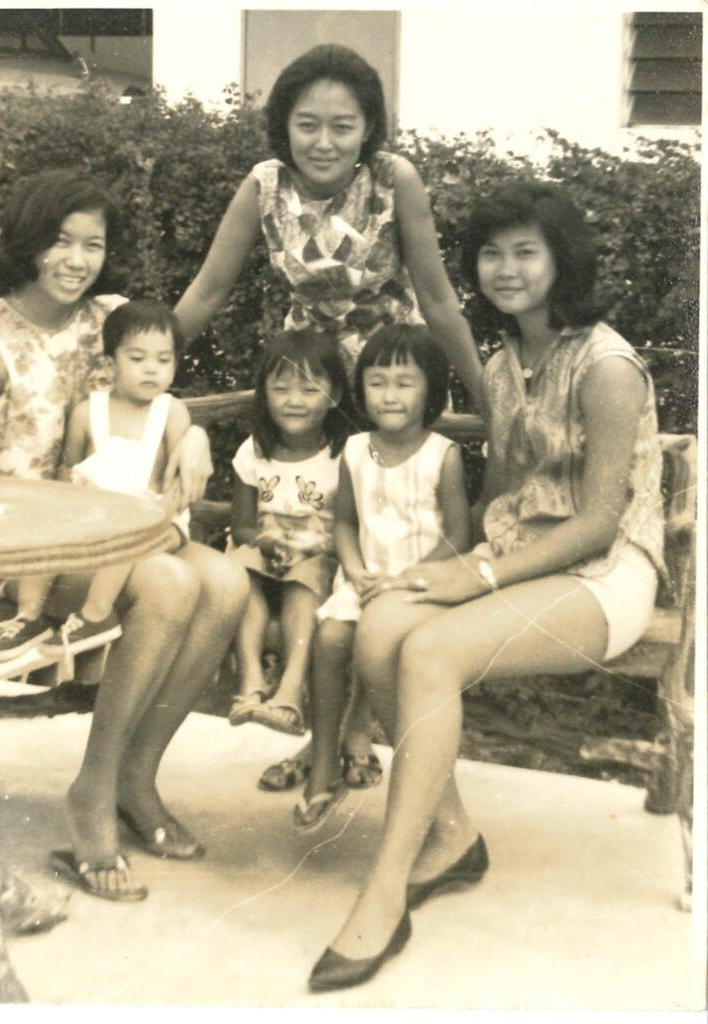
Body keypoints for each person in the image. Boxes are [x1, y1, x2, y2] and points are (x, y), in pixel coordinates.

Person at [307, 181, 665, 991]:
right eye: (492, 255)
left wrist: (474, 575)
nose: (507, 270)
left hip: (605, 575)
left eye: (526, 252)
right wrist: (436, 568)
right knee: (382, 624)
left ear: (561, 260)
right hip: (517, 559)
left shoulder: (607, 367)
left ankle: (385, 890)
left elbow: (597, 523)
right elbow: (502, 497)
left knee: (430, 652)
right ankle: (452, 835)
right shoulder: (504, 365)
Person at [175, 43, 484, 791]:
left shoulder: (394, 179)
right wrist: (140, 368)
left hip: (389, 388)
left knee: (376, 561)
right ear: (282, 126)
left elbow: (438, 298)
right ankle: (317, 737)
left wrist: (486, 397)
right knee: (323, 564)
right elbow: (208, 290)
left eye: (342, 126)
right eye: (307, 124)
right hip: (311, 390)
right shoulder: (263, 186)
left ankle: (354, 736)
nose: (323, 141)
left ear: (369, 128)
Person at [0, 169, 248, 901]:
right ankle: (93, 790)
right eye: (60, 241)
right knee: (172, 583)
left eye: (93, 244)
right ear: (27, 242)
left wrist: (194, 436)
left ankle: (135, 779)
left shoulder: (111, 317)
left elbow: (160, 395)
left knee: (227, 581)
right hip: (32, 547)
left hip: (118, 525)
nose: (77, 260)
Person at [293, 323, 470, 833]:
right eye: (377, 382)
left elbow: (458, 535)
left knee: (389, 646)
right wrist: (353, 569)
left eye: (404, 383)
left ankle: (396, 766)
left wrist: (408, 579)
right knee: (330, 640)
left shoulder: (443, 455)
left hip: (420, 588)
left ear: (431, 390)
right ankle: (324, 760)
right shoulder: (354, 451)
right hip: (365, 582)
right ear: (362, 389)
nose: (389, 395)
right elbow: (345, 524)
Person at [40, 299, 193, 657]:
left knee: (127, 534)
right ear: (111, 364)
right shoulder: (87, 412)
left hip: (160, 521)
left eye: (163, 360)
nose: (151, 369)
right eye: (137, 358)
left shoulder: (172, 412)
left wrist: (158, 515)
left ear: (174, 367)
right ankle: (29, 617)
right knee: (46, 533)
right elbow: (67, 474)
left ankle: (96, 614)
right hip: (100, 521)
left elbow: (179, 486)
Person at [228, 329, 349, 735]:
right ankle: (250, 684)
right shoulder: (253, 452)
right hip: (263, 555)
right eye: (280, 389)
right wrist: (263, 541)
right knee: (240, 569)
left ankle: (290, 691)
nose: (293, 400)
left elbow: (348, 525)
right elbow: (242, 526)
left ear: (334, 395)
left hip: (317, 562)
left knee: (306, 578)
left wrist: (312, 548)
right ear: (264, 394)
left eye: (309, 389)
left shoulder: (342, 456)